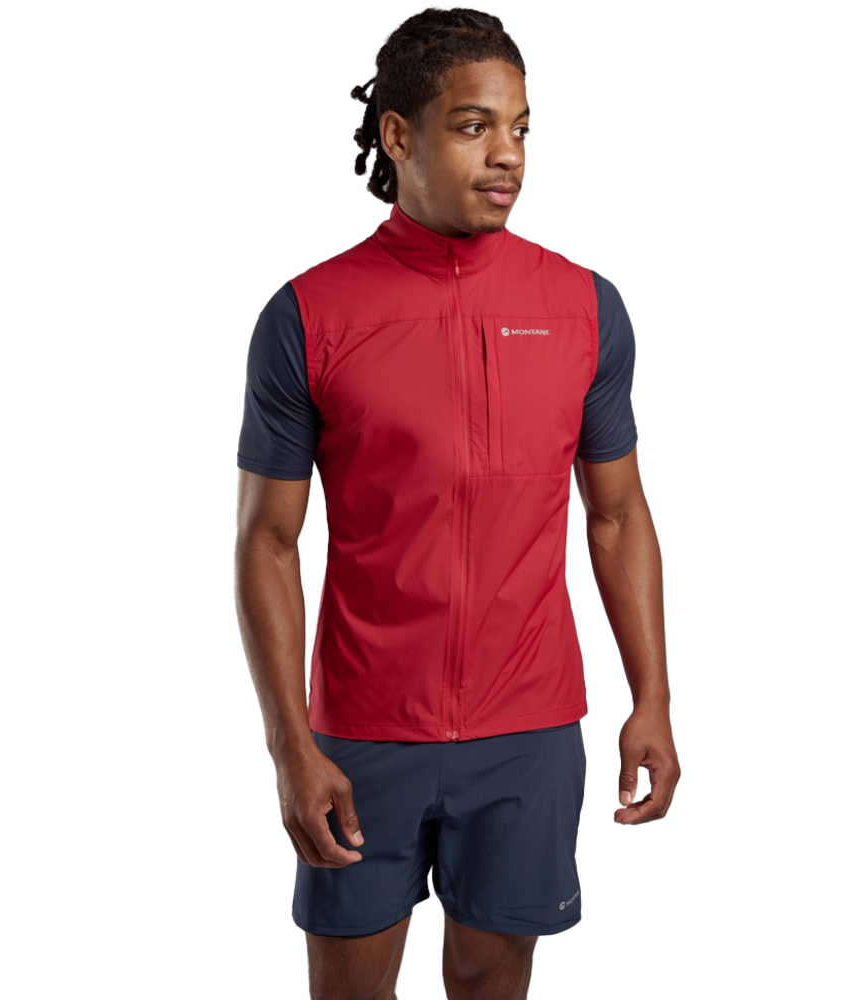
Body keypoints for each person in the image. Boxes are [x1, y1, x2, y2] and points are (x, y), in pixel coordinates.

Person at [232, 3, 680, 997]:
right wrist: (291, 749)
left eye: (519, 128)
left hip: (530, 729)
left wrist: (650, 698)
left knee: (491, 980)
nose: (506, 154)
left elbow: (616, 514)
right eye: (474, 125)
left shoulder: (587, 307)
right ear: (398, 135)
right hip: (363, 728)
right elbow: (266, 542)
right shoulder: (306, 315)